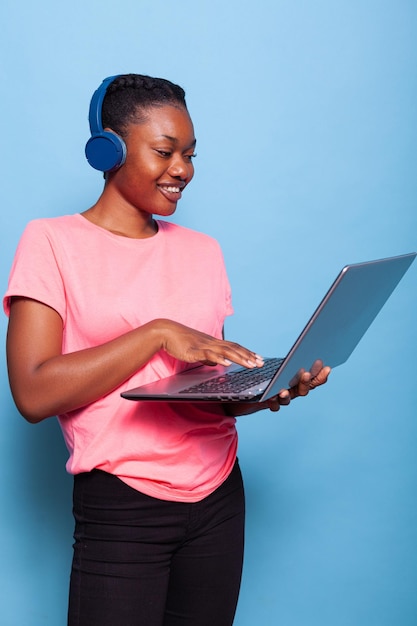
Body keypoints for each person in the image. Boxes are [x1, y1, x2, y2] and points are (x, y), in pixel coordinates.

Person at [4, 74, 330, 626]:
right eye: (164, 151)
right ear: (107, 148)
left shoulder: (203, 252)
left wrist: (267, 392)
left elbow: (197, 392)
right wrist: (155, 331)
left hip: (220, 494)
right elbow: (33, 393)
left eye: (190, 153)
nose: (183, 169)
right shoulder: (51, 242)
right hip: (123, 504)